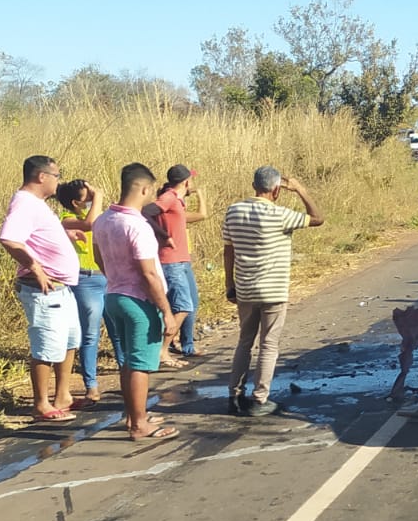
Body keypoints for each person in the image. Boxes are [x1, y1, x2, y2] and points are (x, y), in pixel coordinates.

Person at [222, 166, 325, 416]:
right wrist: (300, 189)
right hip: (274, 290)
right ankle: (260, 399)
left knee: (244, 342)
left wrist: (230, 285)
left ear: (254, 185)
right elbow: (317, 218)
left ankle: (235, 394)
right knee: (269, 344)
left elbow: (228, 250)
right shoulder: (280, 215)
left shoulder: (233, 211)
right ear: (276, 190)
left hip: (245, 288)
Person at [91, 163, 180, 441]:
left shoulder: (104, 220)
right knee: (140, 363)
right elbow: (149, 273)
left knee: (128, 361)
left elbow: (98, 258)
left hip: (114, 295)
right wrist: (166, 311)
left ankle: (133, 414)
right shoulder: (137, 225)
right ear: (143, 189)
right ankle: (139, 424)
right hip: (138, 300)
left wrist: (116, 279)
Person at [0, 155, 83, 422]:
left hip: (62, 288)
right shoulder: (25, 204)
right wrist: (34, 267)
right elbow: (10, 239)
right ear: (41, 177)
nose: (59, 181)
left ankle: (63, 395)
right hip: (44, 290)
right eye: (56, 175)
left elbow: (37, 235)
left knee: (69, 341)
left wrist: (63, 235)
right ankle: (41, 404)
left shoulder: (37, 205)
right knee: (46, 345)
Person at [145, 164, 208, 368]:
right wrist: (163, 235)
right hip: (171, 261)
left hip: (181, 260)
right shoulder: (170, 197)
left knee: (189, 303)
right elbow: (146, 211)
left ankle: (171, 346)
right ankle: (162, 350)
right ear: (186, 182)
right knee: (183, 306)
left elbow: (199, 216)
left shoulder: (177, 202)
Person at [55, 179, 111, 407]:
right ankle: (91, 385)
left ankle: (128, 375)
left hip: (105, 275)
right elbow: (90, 224)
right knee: (90, 334)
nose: (92, 201)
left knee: (116, 330)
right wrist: (98, 197)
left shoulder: (96, 215)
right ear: (76, 203)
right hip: (84, 279)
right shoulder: (66, 220)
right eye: (87, 199)